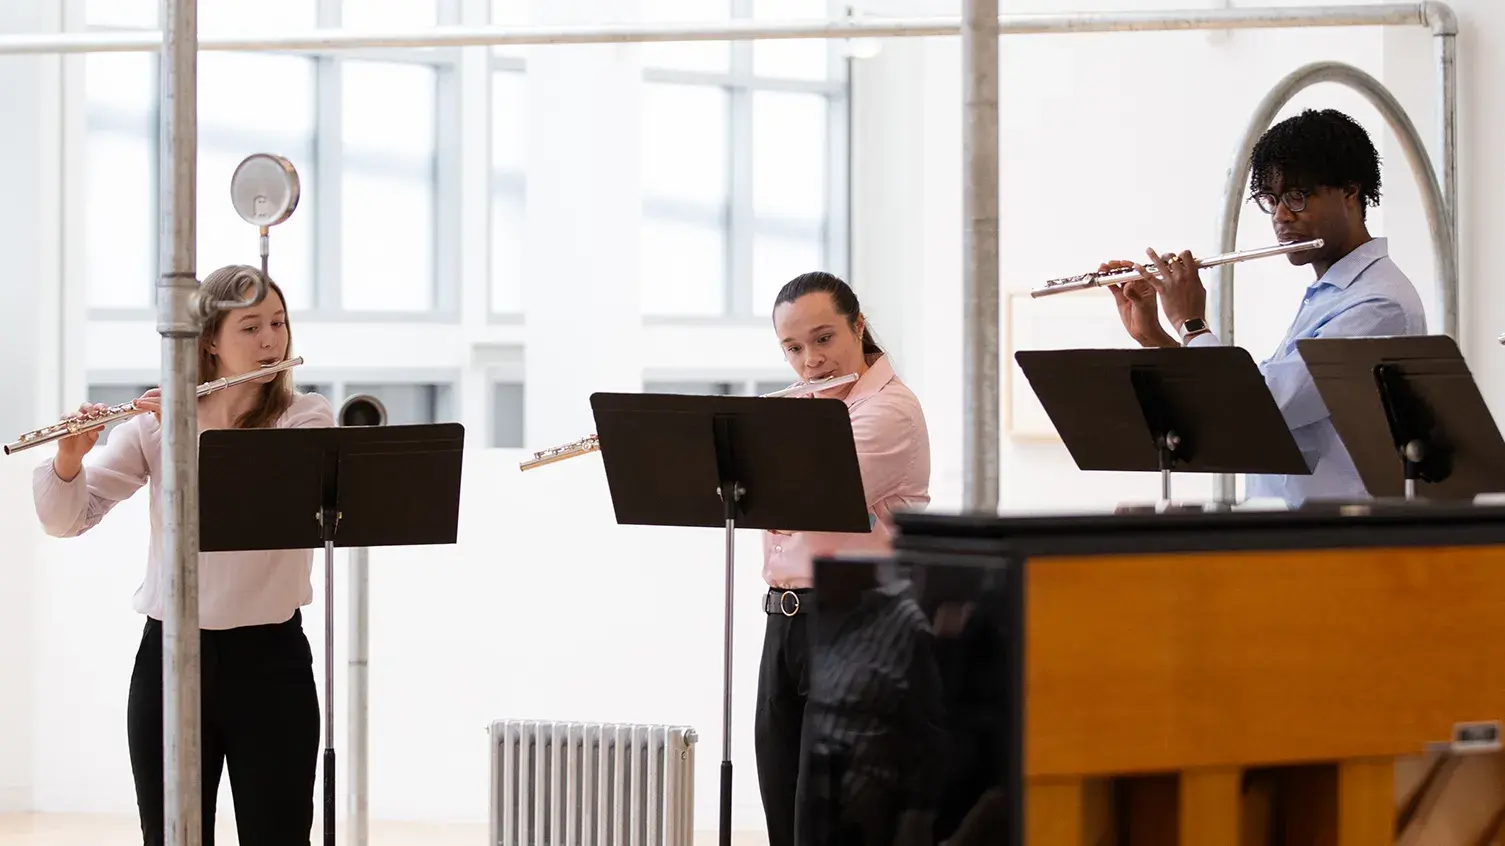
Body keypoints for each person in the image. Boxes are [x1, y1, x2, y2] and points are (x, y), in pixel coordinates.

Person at [32, 265, 334, 846]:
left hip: (271, 663)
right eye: (250, 327)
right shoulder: (158, 425)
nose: (271, 339)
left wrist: (183, 428)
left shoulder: (302, 417)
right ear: (210, 342)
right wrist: (70, 458)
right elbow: (66, 519)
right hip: (169, 659)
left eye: (278, 323)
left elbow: (253, 499)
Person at [1102, 107, 1427, 507]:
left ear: (1350, 191)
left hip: (1338, 543)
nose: (1281, 216)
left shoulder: (1377, 305)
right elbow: (1230, 413)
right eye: (1271, 199)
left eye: (1297, 196)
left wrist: (1190, 324)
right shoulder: (1332, 295)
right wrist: (1157, 337)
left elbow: (1262, 409)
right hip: (1293, 532)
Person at [757, 271, 931, 846]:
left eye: (825, 338)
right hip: (786, 622)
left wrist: (734, 446)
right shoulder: (812, 412)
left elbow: (799, 495)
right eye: (793, 347)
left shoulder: (888, 410)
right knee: (784, 817)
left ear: (859, 327)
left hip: (856, 628)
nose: (811, 360)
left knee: (826, 827)